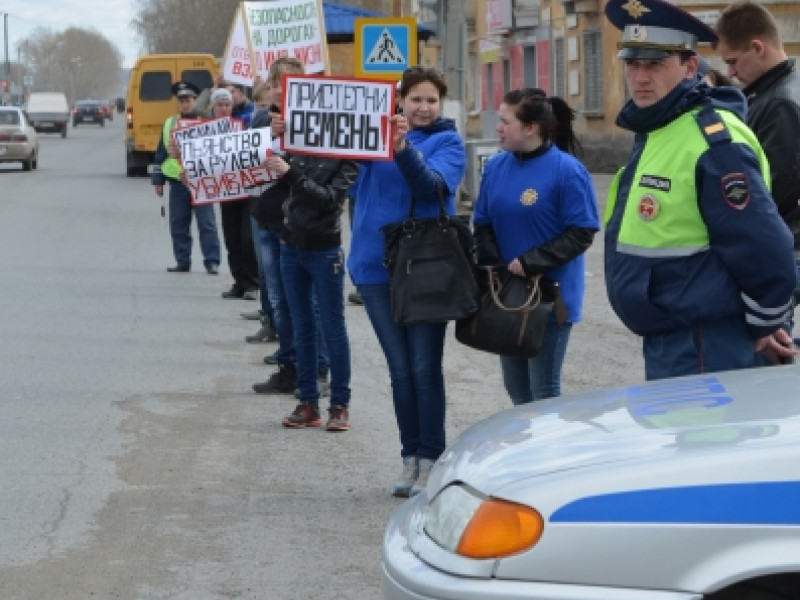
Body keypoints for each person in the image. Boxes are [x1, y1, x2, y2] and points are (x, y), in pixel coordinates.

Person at [603, 0, 797, 381]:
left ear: (690, 67)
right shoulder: (661, 127)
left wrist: (763, 323)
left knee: (707, 438)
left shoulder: (712, 140)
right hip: (676, 338)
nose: (640, 77)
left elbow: (763, 244)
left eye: (655, 64)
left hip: (704, 341)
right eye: (632, 63)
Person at [347, 67, 466, 497]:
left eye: (431, 100)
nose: (423, 107)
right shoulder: (369, 139)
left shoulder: (448, 142)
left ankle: (432, 457)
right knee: (399, 371)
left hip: (424, 270)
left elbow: (431, 187)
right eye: (415, 99)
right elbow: (334, 167)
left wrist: (401, 149)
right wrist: (286, 134)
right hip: (375, 268)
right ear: (399, 102)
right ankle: (409, 456)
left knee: (423, 367)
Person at [471, 89, 600, 405]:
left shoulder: (567, 170)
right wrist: (490, 263)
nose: (497, 127)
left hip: (548, 299)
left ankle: (549, 453)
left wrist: (532, 260)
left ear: (530, 127)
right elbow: (483, 221)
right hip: (506, 296)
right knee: (516, 390)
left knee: (543, 393)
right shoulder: (496, 166)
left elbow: (583, 231)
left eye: (505, 121)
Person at [261, 107, 357, 433]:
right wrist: (274, 135)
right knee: (302, 326)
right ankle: (307, 402)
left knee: (332, 326)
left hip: (324, 249)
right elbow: (261, 166)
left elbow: (329, 200)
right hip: (291, 246)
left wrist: (290, 172)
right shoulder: (297, 145)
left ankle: (340, 404)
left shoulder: (349, 156)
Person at [713, 1, 800, 330]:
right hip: (783, 246)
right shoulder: (776, 92)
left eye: (733, 61)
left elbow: (769, 192)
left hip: (777, 252)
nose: (731, 72)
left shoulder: (779, 102)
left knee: (765, 360)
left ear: (758, 47)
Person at [250, 57, 331, 405]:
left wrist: (292, 139)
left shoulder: (318, 122)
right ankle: (289, 366)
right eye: (280, 84)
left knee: (308, 302)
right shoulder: (260, 119)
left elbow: (324, 173)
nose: (285, 91)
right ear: (271, 88)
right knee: (279, 301)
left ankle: (317, 369)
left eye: (294, 83)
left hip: (299, 225)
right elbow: (239, 164)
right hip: (267, 219)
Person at [152, 81, 220, 274]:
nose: (185, 104)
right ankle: (183, 261)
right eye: (181, 100)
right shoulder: (170, 123)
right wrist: (158, 180)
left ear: (194, 100)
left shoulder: (206, 120)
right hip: (177, 181)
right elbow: (160, 152)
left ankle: (212, 262)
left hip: (201, 181)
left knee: (207, 224)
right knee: (178, 223)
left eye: (189, 100)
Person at [211, 86, 260, 301]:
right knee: (232, 240)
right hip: (226, 191)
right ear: (213, 108)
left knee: (247, 239)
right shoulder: (204, 130)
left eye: (227, 104)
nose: (223, 108)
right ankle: (239, 282)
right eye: (220, 104)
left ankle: (252, 284)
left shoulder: (244, 124)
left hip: (247, 190)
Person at [243, 81, 278, 343]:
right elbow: (243, 152)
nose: (264, 108)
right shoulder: (260, 120)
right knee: (267, 269)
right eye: (261, 104)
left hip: (286, 207)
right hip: (260, 202)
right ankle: (270, 319)